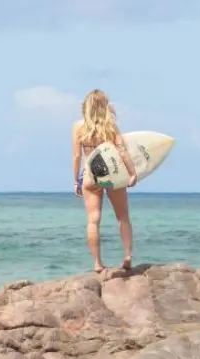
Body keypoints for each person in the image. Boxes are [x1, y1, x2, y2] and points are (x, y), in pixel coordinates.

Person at [71, 89, 139, 274]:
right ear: (105, 107)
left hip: (90, 176)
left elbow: (77, 156)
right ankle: (127, 257)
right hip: (113, 175)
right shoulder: (111, 128)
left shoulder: (78, 128)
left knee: (93, 221)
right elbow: (122, 151)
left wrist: (75, 181)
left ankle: (97, 264)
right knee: (123, 217)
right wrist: (133, 174)